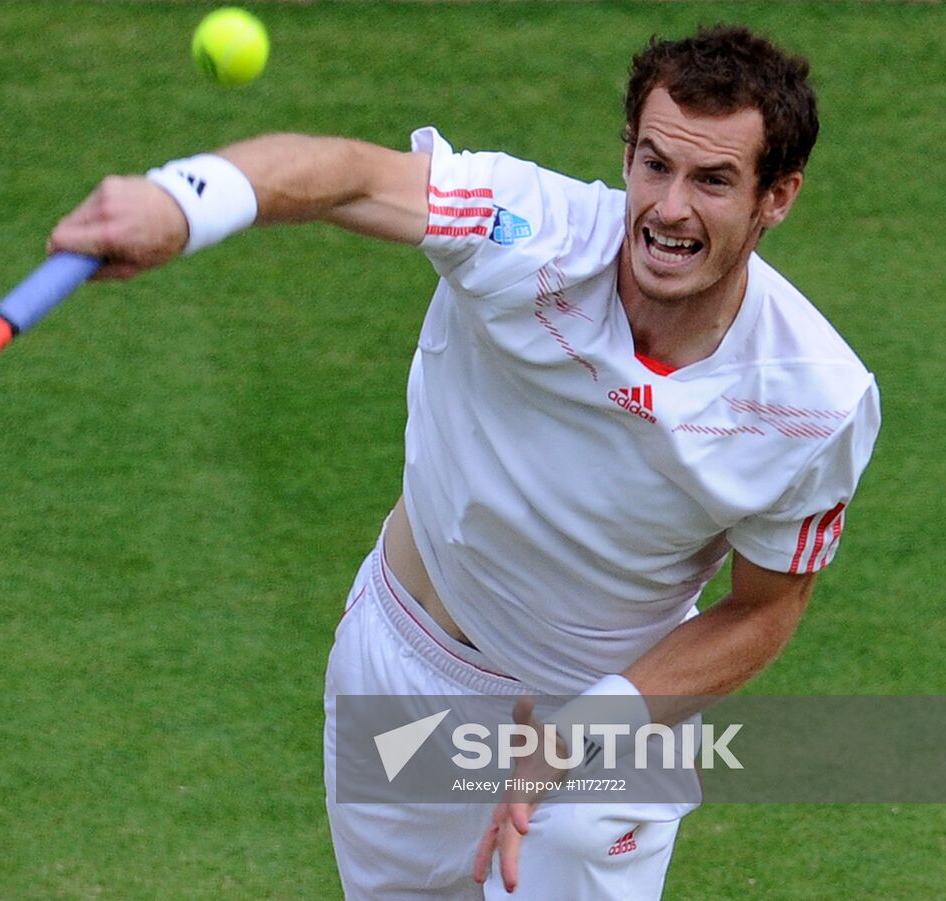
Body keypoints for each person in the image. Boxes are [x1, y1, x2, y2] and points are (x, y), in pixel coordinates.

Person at [47, 24, 880, 900]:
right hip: (404, 676)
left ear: (776, 196)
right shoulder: (527, 230)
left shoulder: (815, 400)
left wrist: (579, 732)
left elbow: (764, 611)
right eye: (654, 164)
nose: (669, 208)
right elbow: (350, 175)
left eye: (713, 181)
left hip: (599, 718)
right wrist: (182, 202)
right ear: (626, 154)